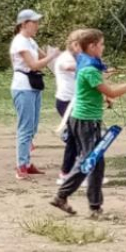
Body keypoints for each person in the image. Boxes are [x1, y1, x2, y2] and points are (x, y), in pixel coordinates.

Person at [49, 29, 126, 217]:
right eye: (101, 44)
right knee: (92, 161)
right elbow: (111, 91)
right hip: (86, 121)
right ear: (92, 46)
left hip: (84, 118)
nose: (103, 47)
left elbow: (96, 91)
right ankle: (88, 205)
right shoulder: (89, 69)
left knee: (90, 160)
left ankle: (69, 199)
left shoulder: (87, 64)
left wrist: (103, 98)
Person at [10, 9, 59, 180]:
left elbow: (45, 59)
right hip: (23, 87)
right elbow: (34, 65)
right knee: (25, 127)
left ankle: (27, 163)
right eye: (34, 22)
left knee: (33, 126)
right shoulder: (19, 42)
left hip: (33, 86)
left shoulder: (30, 41)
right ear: (24, 24)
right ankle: (21, 165)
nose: (37, 26)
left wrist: (60, 60)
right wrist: (52, 56)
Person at [52, 30, 82, 184]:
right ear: (74, 44)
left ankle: (75, 171)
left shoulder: (79, 58)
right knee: (75, 137)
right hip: (66, 102)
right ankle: (67, 173)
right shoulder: (66, 57)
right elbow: (68, 67)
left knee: (77, 136)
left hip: (77, 101)